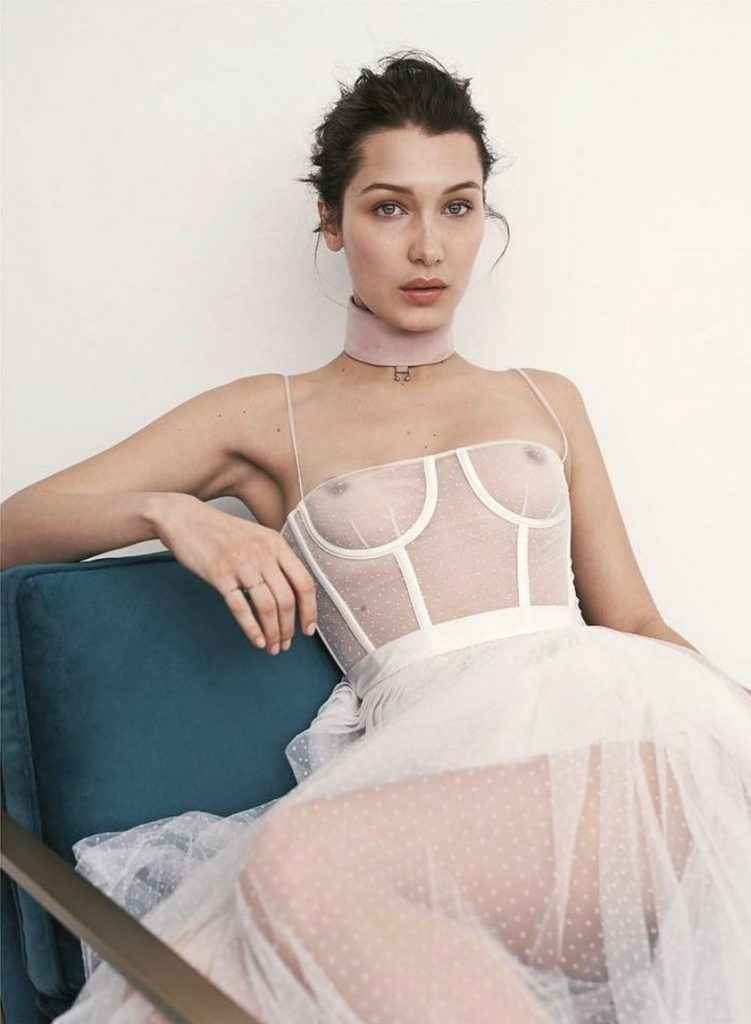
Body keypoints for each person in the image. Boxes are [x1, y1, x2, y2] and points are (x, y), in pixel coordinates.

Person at [14, 50, 748, 1023]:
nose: (428, 248)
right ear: (331, 221)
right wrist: (169, 512)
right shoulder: (268, 416)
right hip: (421, 786)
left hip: (611, 754)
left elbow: (636, 622)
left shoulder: (544, 399)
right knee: (197, 972)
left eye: (458, 207)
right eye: (389, 207)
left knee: (295, 865)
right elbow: (14, 525)